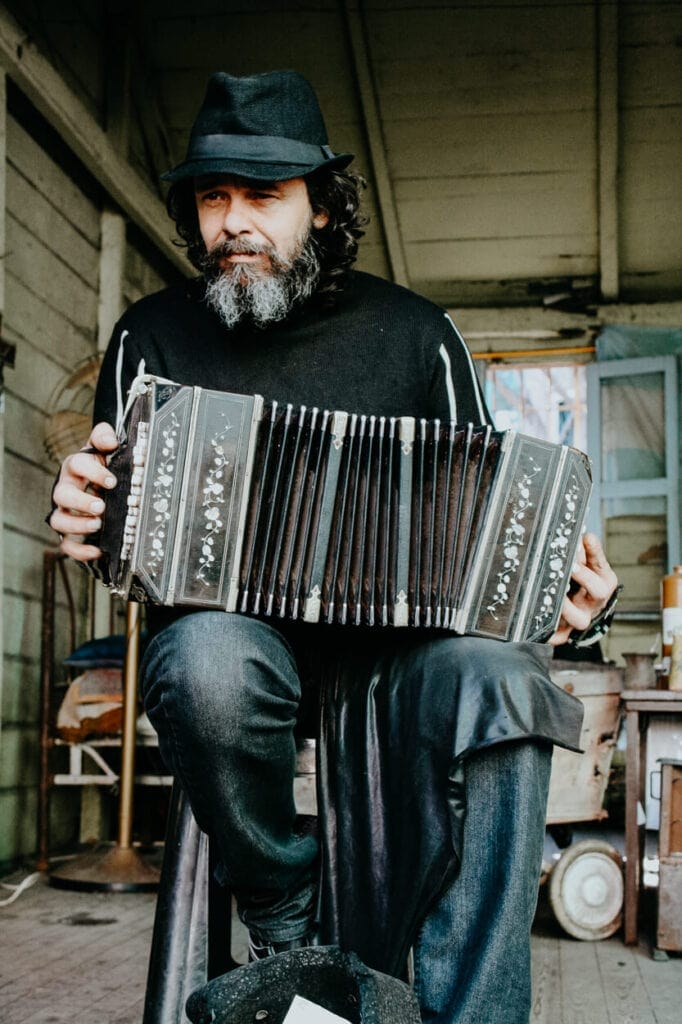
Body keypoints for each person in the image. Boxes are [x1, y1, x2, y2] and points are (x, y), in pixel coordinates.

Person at [48, 71, 618, 1023]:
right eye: (212, 194)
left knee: (507, 681)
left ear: (320, 207)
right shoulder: (150, 337)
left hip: (398, 666)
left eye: (264, 194)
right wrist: (85, 519)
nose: (234, 220)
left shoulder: (416, 336)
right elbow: (122, 532)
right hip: (237, 648)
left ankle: (468, 1012)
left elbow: (484, 545)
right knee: (207, 663)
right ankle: (288, 919)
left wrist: (572, 607)